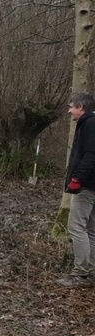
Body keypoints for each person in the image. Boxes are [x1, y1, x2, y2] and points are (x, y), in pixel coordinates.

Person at [60, 93, 95, 287]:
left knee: (76, 227)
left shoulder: (89, 124)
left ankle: (81, 273)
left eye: (71, 106)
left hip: (87, 186)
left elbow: (91, 154)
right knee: (91, 229)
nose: (69, 111)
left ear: (81, 107)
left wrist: (77, 178)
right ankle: (90, 271)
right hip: (92, 184)